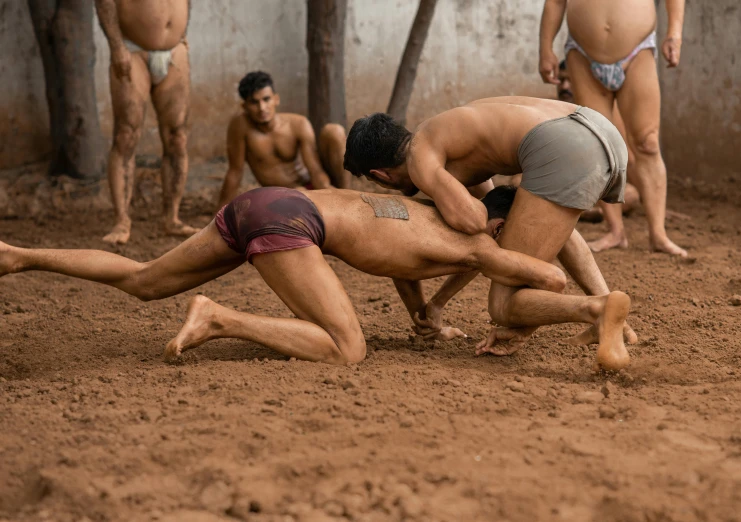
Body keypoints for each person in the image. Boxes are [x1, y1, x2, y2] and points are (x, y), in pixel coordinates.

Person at [0, 186, 632, 370]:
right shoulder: (475, 243)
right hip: (293, 224)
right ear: (495, 225)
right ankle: (218, 318)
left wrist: (429, 311)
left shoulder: (424, 211)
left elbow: (399, 265)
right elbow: (545, 277)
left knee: (141, 279)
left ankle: (18, 255)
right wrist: (536, 259)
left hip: (266, 199)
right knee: (346, 349)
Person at [343, 97, 636, 361]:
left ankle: (598, 309)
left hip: (562, 146)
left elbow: (474, 223)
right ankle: (615, 322)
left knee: (503, 305)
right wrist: (439, 301)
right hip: (599, 129)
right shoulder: (443, 133)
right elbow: (496, 222)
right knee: (539, 220)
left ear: (380, 175)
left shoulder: (420, 157)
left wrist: (437, 223)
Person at [539, 0, 687, 256]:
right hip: (582, 52)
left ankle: (658, 235)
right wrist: (545, 48)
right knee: (600, 144)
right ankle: (616, 231)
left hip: (637, 50)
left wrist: (674, 33)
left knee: (647, 142)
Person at [95, 0, 198, 245]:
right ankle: (122, 221)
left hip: (175, 50)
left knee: (177, 136)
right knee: (126, 134)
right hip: (132, 50)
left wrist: (182, 30)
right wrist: (116, 45)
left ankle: (171, 218)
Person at [216, 71, 350, 208]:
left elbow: (315, 170)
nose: (262, 108)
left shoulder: (298, 123)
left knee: (334, 131)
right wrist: (218, 214)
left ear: (276, 99)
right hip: (283, 196)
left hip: (312, 186)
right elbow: (235, 172)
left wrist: (329, 191)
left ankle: (348, 195)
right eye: (254, 102)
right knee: (299, 192)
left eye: (266, 99)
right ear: (244, 106)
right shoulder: (240, 127)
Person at [556, 60, 641, 223]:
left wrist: (652, 202)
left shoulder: (606, 112)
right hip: (557, 185)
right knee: (517, 183)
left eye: (570, 81)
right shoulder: (550, 108)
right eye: (561, 80)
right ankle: (582, 212)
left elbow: (628, 159)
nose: (565, 86)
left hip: (594, 188)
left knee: (630, 195)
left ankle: (578, 213)